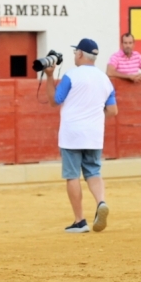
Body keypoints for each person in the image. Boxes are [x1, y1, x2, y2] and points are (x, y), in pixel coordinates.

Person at [44, 38, 117, 234]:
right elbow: (113, 110)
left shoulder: (71, 75)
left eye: (75, 52)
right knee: (93, 171)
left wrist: (49, 76)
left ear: (80, 54)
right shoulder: (105, 79)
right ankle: (101, 202)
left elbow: (54, 101)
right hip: (94, 134)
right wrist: (95, 118)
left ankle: (80, 220)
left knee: (72, 175)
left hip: (72, 134)